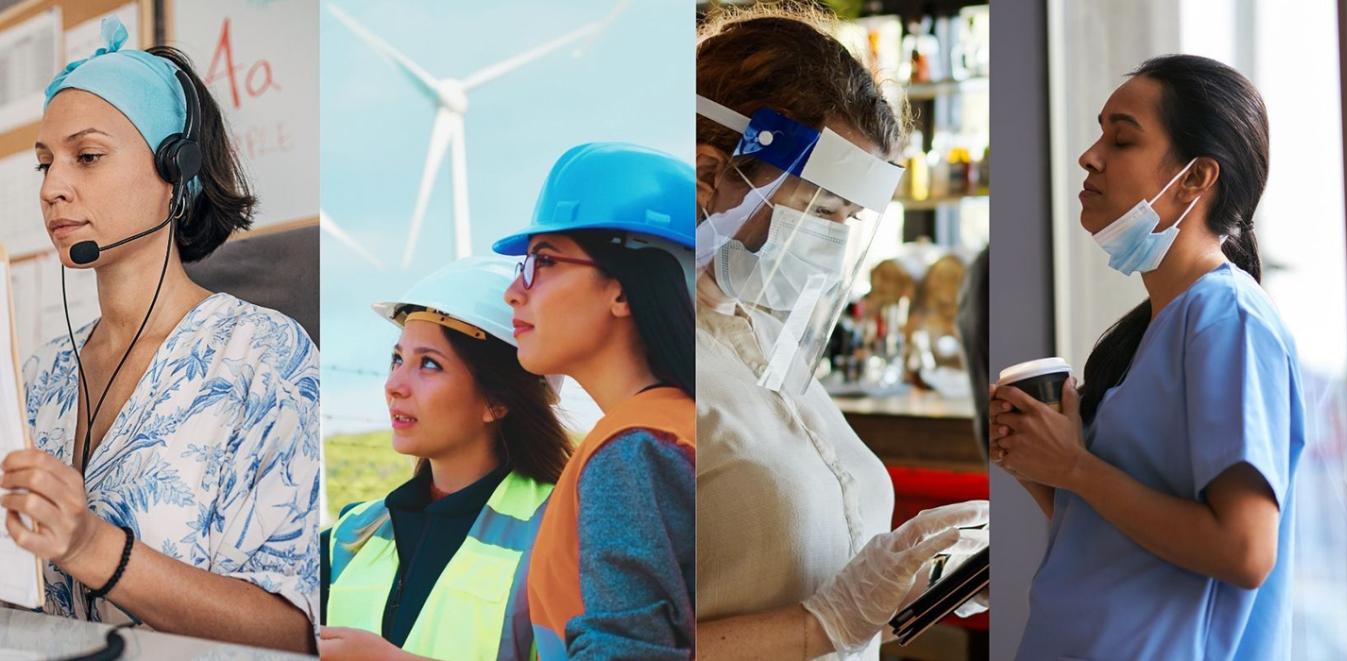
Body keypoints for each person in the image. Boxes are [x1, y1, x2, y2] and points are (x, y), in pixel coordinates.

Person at [3, 18, 318, 652]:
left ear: (176, 169)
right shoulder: (37, 375)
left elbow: (291, 634)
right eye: (45, 164)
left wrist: (92, 545)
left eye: (87, 157)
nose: (53, 188)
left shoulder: (263, 357)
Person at [693, 7, 987, 660]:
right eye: (822, 211)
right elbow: (603, 640)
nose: (830, 243)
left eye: (849, 219)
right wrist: (820, 621)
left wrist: (911, 583)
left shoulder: (767, 338)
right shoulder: (644, 361)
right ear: (709, 177)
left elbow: (819, 593)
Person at [990, 54, 1304, 661]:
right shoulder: (1155, 328)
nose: (1089, 155)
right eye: (1098, 132)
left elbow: (1243, 551)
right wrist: (1046, 465)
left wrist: (1077, 469)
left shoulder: (1227, 319)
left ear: (1194, 179)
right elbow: (1122, 539)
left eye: (1122, 137)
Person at [493, 142, 696, 659]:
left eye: (543, 261)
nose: (514, 292)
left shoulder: (633, 452)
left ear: (623, 291)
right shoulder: (668, 430)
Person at [318, 256, 571, 661]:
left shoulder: (566, 531)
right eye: (397, 359)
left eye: (429, 365)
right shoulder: (351, 536)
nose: (394, 385)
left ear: (497, 400)